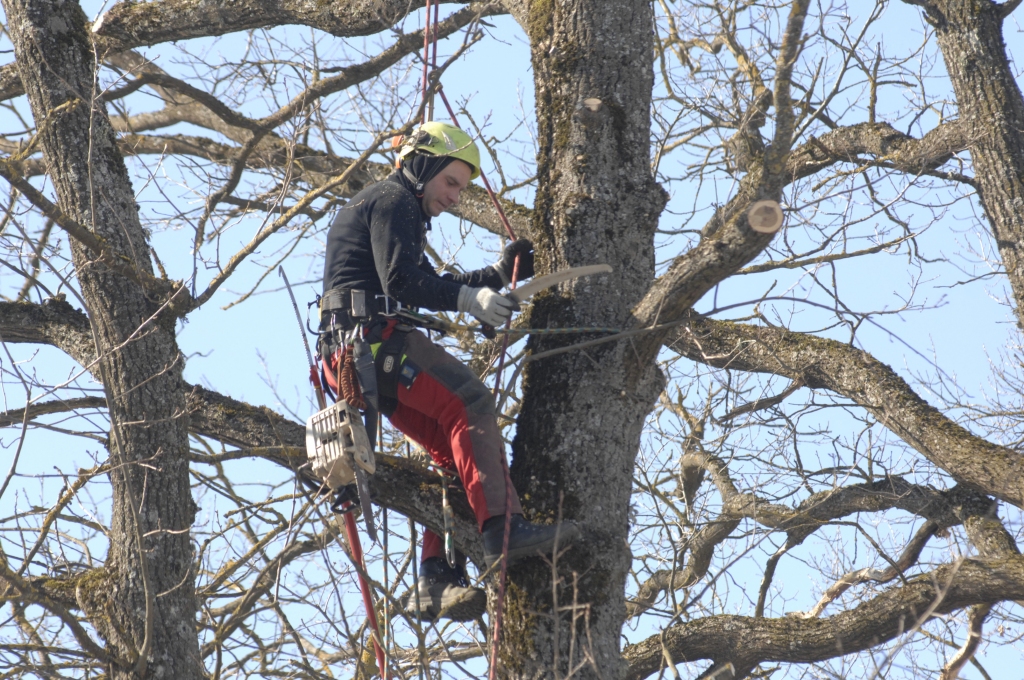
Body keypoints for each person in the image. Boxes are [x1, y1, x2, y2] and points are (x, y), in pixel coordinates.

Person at [319, 121, 577, 622]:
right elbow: (402, 279)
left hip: (356, 356)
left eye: (461, 187)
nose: (456, 197)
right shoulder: (394, 201)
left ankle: (435, 576)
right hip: (373, 346)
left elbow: (415, 281)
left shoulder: (385, 206)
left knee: (447, 448)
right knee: (471, 403)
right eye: (451, 182)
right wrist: (469, 298)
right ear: (422, 166)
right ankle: (503, 529)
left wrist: (494, 279)